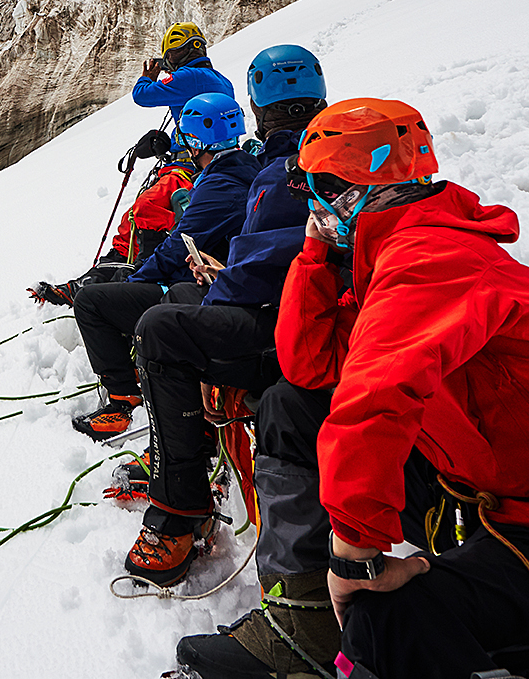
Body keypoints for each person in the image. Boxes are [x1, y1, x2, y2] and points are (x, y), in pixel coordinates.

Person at [175, 98, 529, 679]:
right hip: (495, 489)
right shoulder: (388, 252)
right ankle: (307, 617)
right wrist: (317, 251)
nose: (308, 203)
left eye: (316, 189)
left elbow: (374, 395)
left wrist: (352, 556)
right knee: (293, 404)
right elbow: (308, 365)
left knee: (388, 618)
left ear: (347, 193)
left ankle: (351, 622)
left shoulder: (431, 256)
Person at [117, 46, 329, 588]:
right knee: (182, 302)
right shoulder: (329, 153)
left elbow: (268, 262)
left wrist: (219, 285)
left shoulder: (285, 172)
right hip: (303, 315)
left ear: (257, 104)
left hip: (287, 327)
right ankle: (181, 463)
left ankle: (181, 512)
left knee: (162, 331)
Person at [70, 93, 259, 442]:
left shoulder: (219, 185)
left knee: (91, 303)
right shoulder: (246, 168)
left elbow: (176, 246)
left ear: (196, 140)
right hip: (214, 284)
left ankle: (122, 397)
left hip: (193, 289)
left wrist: (137, 275)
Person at [29, 136, 199, 306]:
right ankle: (96, 278)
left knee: (147, 207)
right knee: (131, 221)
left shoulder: (198, 111)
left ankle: (140, 274)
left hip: (187, 168)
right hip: (174, 166)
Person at [134, 23, 237, 111]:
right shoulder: (224, 81)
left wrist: (147, 78)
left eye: (169, 57)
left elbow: (140, 95)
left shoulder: (186, 77)